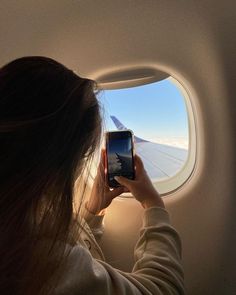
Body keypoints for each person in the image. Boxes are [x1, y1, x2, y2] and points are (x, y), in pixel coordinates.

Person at [0, 56, 185, 295]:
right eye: (83, 156)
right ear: (62, 159)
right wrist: (154, 204)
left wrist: (92, 212)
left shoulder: (17, 219)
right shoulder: (37, 258)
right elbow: (163, 289)